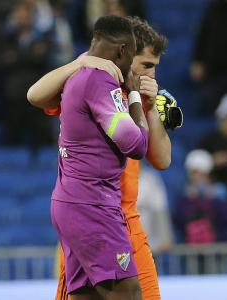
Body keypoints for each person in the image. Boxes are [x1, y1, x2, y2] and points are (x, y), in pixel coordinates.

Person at [28, 16, 174, 300]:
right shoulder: (89, 83)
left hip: (126, 221)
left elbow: (163, 160)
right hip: (91, 215)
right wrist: (80, 62)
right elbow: (35, 95)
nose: (152, 75)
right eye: (146, 65)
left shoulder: (140, 95)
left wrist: (151, 108)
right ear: (124, 53)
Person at [51, 15, 151, 300]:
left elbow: (35, 95)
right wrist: (134, 99)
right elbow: (136, 145)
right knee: (129, 294)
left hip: (71, 202)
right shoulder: (100, 81)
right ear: (121, 51)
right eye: (131, 55)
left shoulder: (77, 73)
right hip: (93, 207)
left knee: (88, 297)